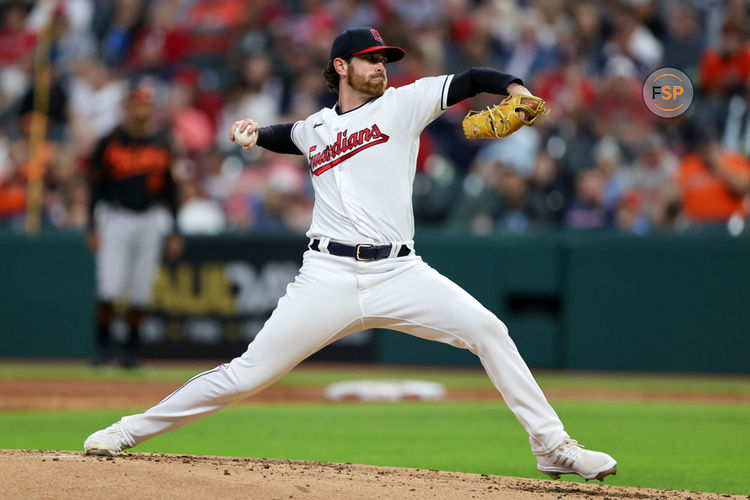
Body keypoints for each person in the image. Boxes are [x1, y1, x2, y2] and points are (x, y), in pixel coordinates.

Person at [84, 27, 617, 482]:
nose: (381, 66)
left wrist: (517, 90)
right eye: (370, 59)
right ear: (341, 65)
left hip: (400, 270)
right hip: (327, 276)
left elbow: (475, 78)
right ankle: (126, 430)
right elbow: (285, 136)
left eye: (385, 59)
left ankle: (553, 447)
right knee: (246, 375)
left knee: (489, 331)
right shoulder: (316, 127)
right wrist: (252, 135)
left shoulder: (405, 104)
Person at [87, 82, 183, 368]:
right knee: (109, 285)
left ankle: (130, 352)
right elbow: (95, 187)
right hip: (115, 217)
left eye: (146, 103)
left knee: (141, 288)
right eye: (137, 103)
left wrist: (176, 229)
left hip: (151, 218)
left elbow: (171, 190)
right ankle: (103, 350)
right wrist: (91, 226)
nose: (142, 108)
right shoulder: (110, 141)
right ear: (127, 106)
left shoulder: (162, 143)